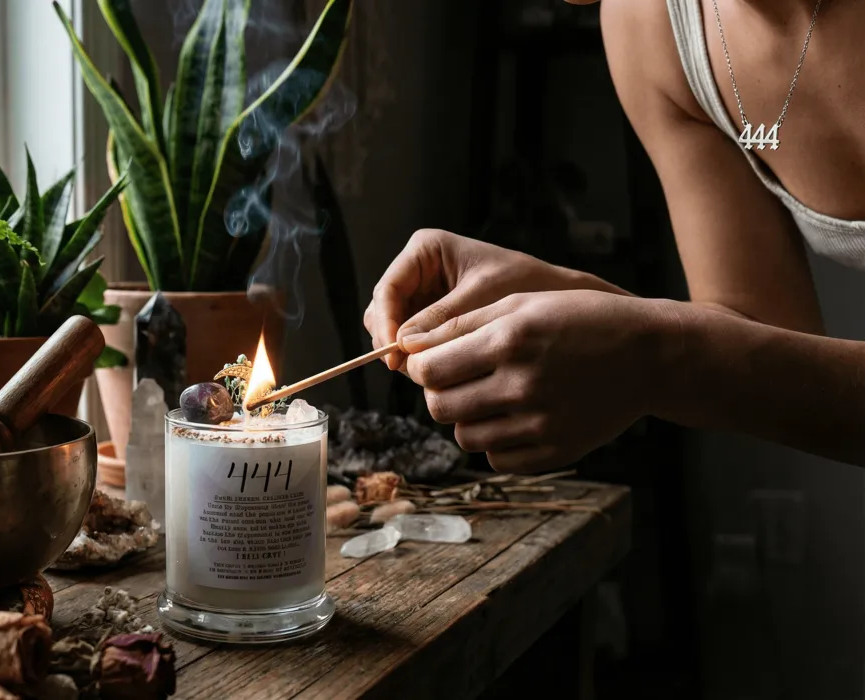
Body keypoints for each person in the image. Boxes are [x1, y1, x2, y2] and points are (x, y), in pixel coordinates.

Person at [364, 0, 865, 474]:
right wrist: (568, 298)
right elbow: (768, 347)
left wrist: (656, 356)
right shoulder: (652, 24)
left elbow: (723, 358)